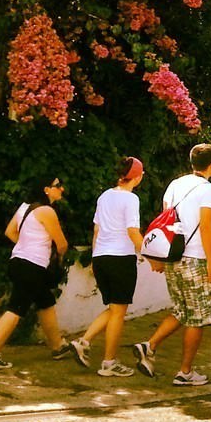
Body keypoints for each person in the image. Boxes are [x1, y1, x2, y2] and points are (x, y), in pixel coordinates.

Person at [131, 143, 211, 386]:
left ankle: (149, 346)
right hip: (195, 259)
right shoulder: (208, 190)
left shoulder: (175, 185)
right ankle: (185, 372)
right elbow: (205, 226)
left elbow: (165, 223)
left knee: (181, 310)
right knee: (197, 318)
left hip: (173, 257)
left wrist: (160, 257)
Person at [0, 177, 74, 369]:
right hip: (33, 267)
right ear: (46, 189)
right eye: (58, 186)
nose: (62, 189)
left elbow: (9, 232)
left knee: (46, 302)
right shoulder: (47, 211)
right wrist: (58, 259)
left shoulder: (25, 207)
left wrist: (26, 246)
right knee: (16, 307)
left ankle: (58, 346)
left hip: (18, 262)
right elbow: (62, 244)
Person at [67, 156, 145, 377]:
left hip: (102, 257)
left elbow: (96, 230)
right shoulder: (131, 200)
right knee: (119, 312)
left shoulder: (104, 197)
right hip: (120, 258)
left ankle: (84, 341)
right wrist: (150, 254)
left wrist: (94, 258)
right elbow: (132, 231)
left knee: (114, 308)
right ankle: (109, 363)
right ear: (137, 177)